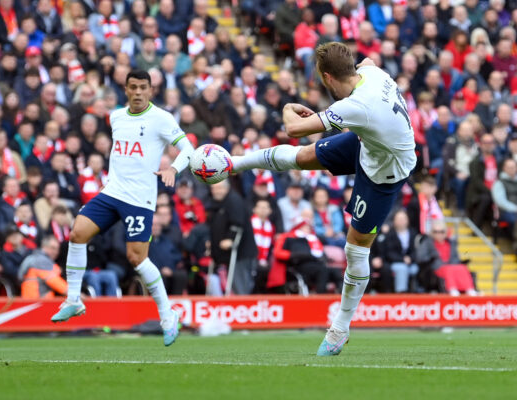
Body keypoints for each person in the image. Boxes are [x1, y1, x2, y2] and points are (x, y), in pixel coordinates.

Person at [231, 42, 416, 355]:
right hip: (367, 144)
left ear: (328, 78)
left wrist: (288, 108)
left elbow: (292, 128)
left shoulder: (356, 106)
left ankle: (340, 328)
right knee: (303, 158)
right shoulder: (370, 73)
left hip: (384, 175)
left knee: (355, 249)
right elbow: (370, 60)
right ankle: (233, 164)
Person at [50, 70, 193, 347]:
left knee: (136, 258)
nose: (138, 92)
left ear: (151, 90)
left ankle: (167, 316)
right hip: (112, 192)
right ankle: (74, 300)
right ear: (125, 90)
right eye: (133, 87)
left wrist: (173, 168)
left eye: (143, 87)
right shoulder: (116, 117)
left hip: (140, 199)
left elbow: (188, 148)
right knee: (77, 233)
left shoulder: (161, 118)